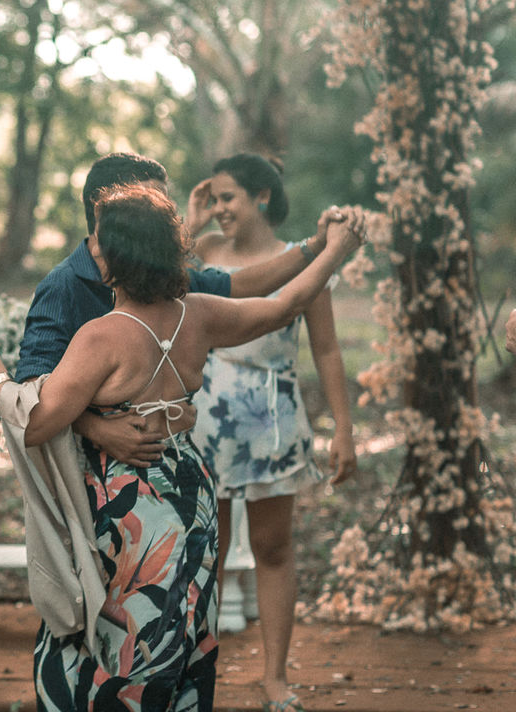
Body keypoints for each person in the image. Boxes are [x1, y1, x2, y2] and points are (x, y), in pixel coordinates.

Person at [0, 183, 362, 712]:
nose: (93, 249)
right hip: (189, 490)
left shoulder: (103, 336)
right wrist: (335, 251)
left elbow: (34, 422)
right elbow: (281, 306)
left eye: (100, 242)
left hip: (128, 506)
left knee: (121, 636)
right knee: (180, 624)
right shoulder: (197, 313)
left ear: (117, 260)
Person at [16, 152, 353, 465]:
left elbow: (245, 285)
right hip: (85, 471)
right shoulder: (62, 286)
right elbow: (33, 393)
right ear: (104, 210)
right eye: (154, 205)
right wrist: (95, 428)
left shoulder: (169, 286)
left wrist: (316, 245)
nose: (165, 217)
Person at [186, 154, 355, 712]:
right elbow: (159, 273)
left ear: (262, 196)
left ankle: (274, 676)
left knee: (272, 547)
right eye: (214, 198)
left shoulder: (298, 261)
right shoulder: (205, 250)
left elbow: (327, 350)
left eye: (228, 197)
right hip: (203, 415)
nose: (219, 208)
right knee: (203, 549)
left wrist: (344, 430)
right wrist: (191, 219)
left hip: (272, 418)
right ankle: (192, 669)